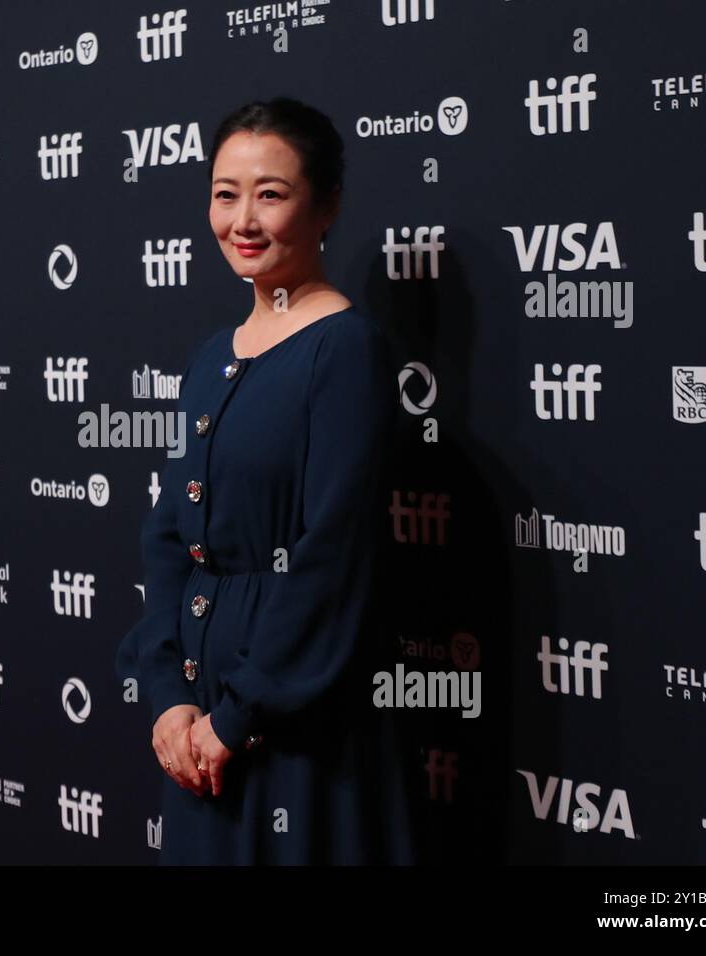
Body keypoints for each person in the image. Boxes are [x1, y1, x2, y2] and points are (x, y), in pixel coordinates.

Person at [115, 98, 416, 864]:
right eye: (225, 193)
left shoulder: (344, 350)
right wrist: (172, 699)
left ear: (326, 207)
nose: (242, 219)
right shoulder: (214, 353)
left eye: (271, 194)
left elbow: (331, 559)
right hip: (198, 721)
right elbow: (166, 537)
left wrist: (234, 719)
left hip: (295, 720)